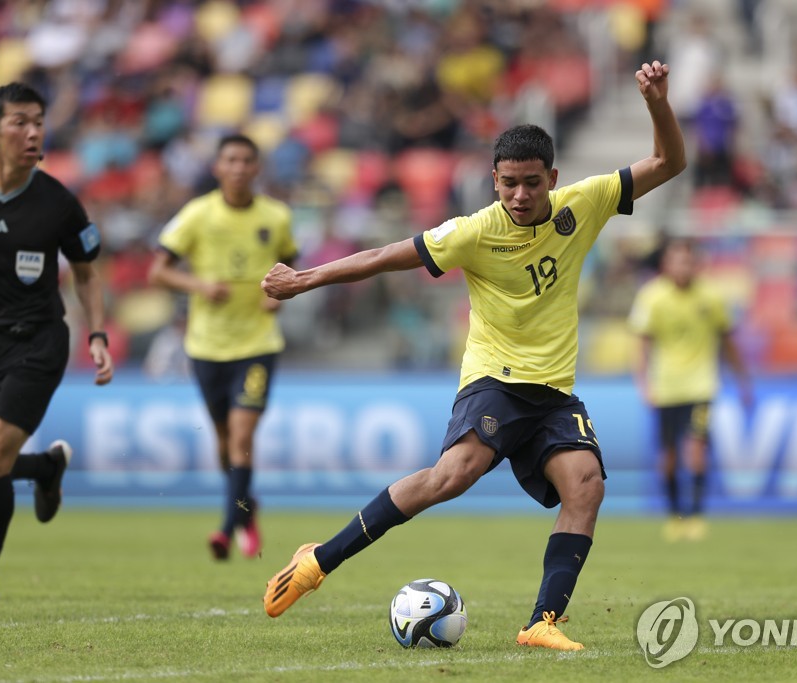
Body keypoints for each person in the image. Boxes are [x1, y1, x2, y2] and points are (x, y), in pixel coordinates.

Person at [259, 60, 686, 650]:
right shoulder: (474, 231)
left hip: (554, 390)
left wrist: (656, 103)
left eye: (532, 182)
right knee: (451, 477)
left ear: (552, 177)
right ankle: (318, 561)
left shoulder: (582, 205)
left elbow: (670, 163)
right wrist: (306, 278)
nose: (519, 194)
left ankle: (542, 623)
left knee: (585, 484)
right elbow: (385, 256)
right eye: (508, 182)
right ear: (493, 179)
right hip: (495, 379)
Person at [0, 83, 113, 600]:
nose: (33, 132)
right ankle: (43, 468)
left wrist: (97, 332)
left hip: (35, 342)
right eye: (19, 122)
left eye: (38, 121)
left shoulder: (58, 202)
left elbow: (86, 273)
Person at [148, 134, 297, 561]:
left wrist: (278, 295)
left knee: (241, 436)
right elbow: (157, 271)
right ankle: (247, 510)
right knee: (222, 443)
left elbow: (292, 266)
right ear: (217, 167)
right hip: (207, 346)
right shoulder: (197, 215)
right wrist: (198, 284)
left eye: (247, 160)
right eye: (230, 160)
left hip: (257, 344)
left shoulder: (277, 216)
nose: (238, 167)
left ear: (257, 168)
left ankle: (226, 528)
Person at [627, 239, 751, 542]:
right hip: (666, 388)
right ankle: (674, 517)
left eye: (687, 262)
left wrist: (744, 381)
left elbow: (728, 342)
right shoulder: (652, 297)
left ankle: (695, 516)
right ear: (666, 265)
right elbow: (642, 346)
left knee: (695, 450)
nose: (682, 268)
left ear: (696, 264)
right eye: (676, 262)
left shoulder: (712, 296)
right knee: (668, 456)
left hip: (701, 386)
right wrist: (643, 384)